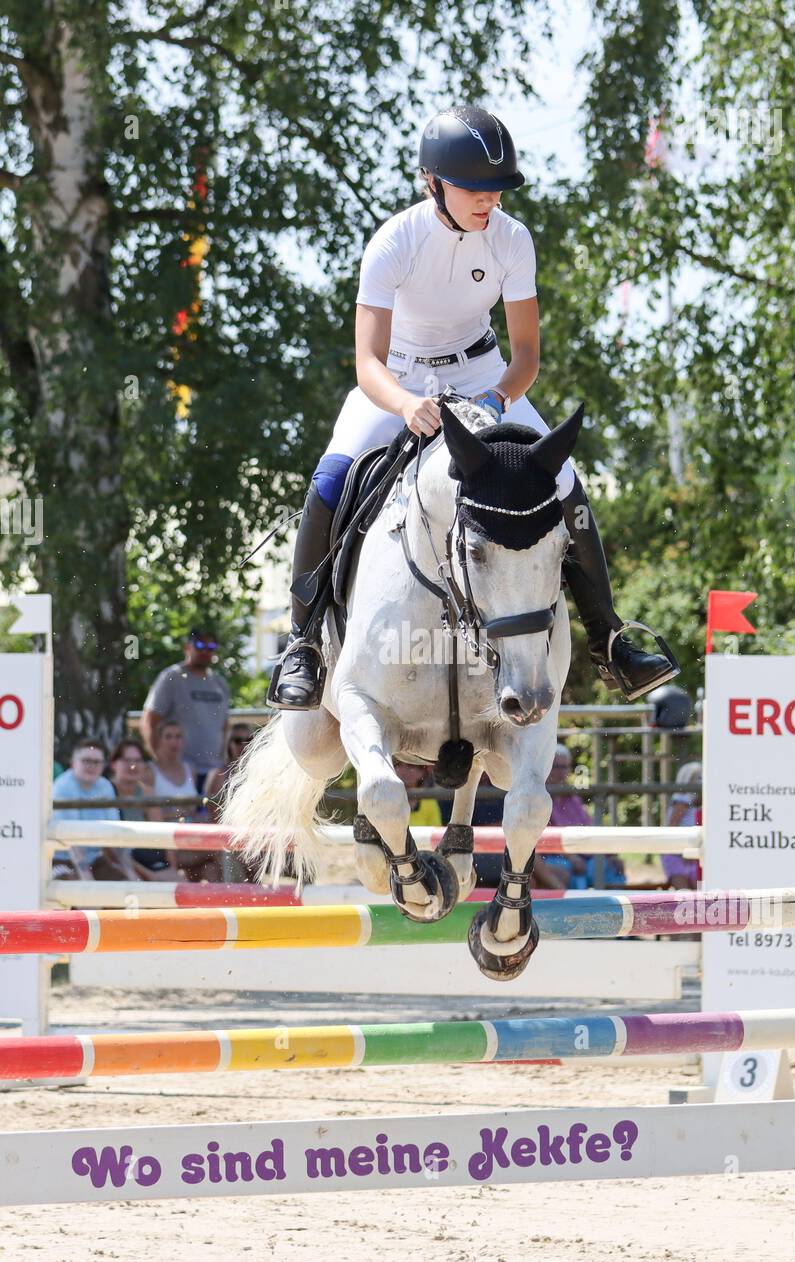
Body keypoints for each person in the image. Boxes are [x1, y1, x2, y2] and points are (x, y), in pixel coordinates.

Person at [271, 104, 677, 712]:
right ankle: (302, 643)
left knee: (565, 480)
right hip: (399, 376)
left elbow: (527, 356)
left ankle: (611, 640)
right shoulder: (394, 242)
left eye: (497, 188)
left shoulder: (513, 239)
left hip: (482, 372)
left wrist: (493, 398)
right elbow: (367, 364)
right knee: (330, 478)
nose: (488, 200)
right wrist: (408, 404)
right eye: (473, 188)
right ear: (432, 182)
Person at [142, 626, 230, 790]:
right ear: (187, 648)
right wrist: (158, 760)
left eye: (211, 647)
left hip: (213, 771)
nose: (205, 651)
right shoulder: (172, 677)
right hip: (182, 772)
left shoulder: (220, 683)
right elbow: (149, 720)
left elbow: (224, 726)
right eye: (200, 646)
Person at [532, 743, 625, 890]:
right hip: (553, 856)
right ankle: (576, 909)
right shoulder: (536, 798)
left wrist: (609, 853)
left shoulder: (572, 798)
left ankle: (614, 909)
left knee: (610, 867)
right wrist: (570, 856)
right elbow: (541, 839)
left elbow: (589, 828)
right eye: (556, 767)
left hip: (581, 854)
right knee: (570, 870)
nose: (561, 772)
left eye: (564, 767)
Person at [150, 720, 221, 882]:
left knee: (212, 868)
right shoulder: (150, 771)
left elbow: (196, 810)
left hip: (190, 835)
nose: (174, 741)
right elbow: (149, 814)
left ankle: (230, 898)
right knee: (215, 853)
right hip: (165, 839)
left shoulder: (191, 769)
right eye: (168, 737)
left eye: (178, 737)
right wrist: (175, 815)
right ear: (158, 740)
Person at [51, 739, 127, 881]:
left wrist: (129, 872)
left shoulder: (105, 786)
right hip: (58, 860)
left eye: (97, 762)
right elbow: (73, 842)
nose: (92, 766)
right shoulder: (63, 787)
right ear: (73, 763)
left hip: (94, 859)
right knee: (72, 888)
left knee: (125, 889)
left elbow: (115, 832)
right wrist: (88, 883)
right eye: (86, 761)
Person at [108, 736, 178, 881]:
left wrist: (172, 867)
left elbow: (162, 834)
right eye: (127, 761)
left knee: (181, 886)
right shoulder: (107, 791)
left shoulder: (147, 792)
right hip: (120, 861)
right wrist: (149, 876)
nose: (132, 766)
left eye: (138, 761)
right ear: (114, 764)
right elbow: (112, 849)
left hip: (148, 859)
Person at [661, 761, 702, 890]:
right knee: (684, 895)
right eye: (698, 778)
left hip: (690, 855)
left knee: (697, 894)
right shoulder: (682, 801)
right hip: (678, 855)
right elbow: (672, 826)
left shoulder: (694, 803)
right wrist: (682, 851)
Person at [393, 760, 443, 827]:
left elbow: (437, 831)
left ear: (423, 771)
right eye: (398, 765)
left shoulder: (429, 802)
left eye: (410, 765)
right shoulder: (384, 799)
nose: (403, 770)